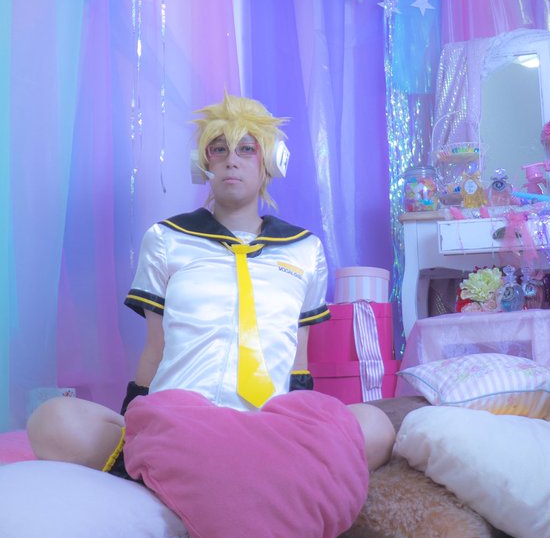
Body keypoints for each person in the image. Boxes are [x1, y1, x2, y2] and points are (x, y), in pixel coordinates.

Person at [27, 94, 395, 474]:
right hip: (180, 423)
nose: (231, 160)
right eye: (219, 149)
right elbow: (155, 348)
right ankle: (192, 468)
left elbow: (298, 361)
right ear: (203, 164)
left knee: (375, 427)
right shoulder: (166, 239)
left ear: (271, 161)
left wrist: (300, 423)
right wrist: (133, 426)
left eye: (246, 149)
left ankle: (239, 469)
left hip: (268, 427)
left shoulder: (304, 249)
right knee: (53, 420)